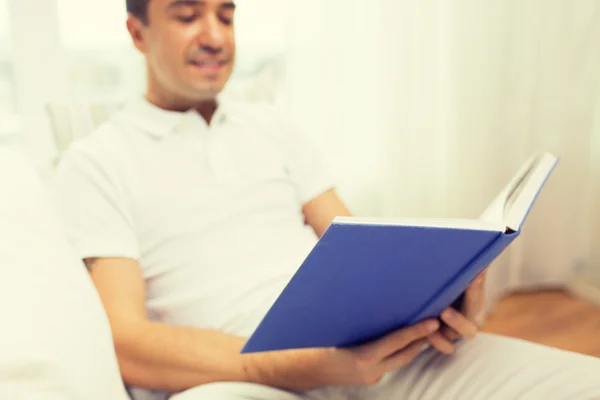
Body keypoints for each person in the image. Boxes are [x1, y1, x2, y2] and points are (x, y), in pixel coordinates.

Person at [52, 1, 600, 399]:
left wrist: (436, 294)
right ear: (137, 32)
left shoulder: (271, 128)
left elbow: (360, 246)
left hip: (364, 349)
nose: (215, 35)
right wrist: (291, 367)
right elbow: (127, 342)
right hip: (233, 378)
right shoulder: (95, 161)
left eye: (226, 13)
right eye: (187, 14)